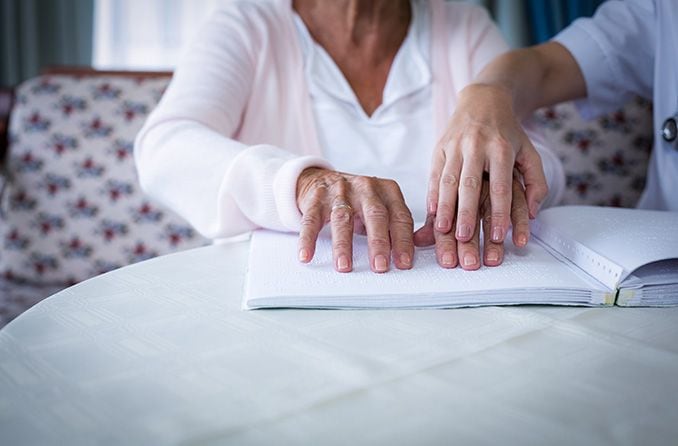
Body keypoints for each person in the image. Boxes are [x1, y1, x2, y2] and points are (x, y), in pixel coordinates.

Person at [134, 0, 564, 274]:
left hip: (456, 289)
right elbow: (165, 147)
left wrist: (502, 177)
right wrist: (300, 184)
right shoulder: (247, 25)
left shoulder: (466, 25)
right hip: (289, 298)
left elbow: (539, 159)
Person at [441, 0, 677, 225]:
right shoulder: (660, 9)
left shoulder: (471, 27)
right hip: (656, 243)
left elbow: (544, 170)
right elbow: (548, 68)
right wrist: (487, 93)